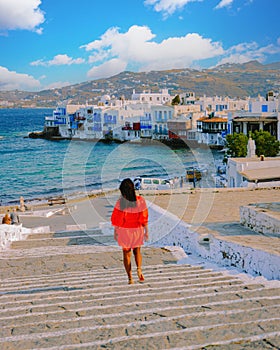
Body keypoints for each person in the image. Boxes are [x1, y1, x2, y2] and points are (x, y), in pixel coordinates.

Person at [111, 178, 149, 284]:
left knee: (126, 254)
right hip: (137, 230)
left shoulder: (120, 203)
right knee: (137, 252)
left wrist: (116, 232)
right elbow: (144, 217)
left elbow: (117, 220)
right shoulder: (140, 200)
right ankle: (139, 269)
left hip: (125, 232)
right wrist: (146, 231)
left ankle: (130, 278)